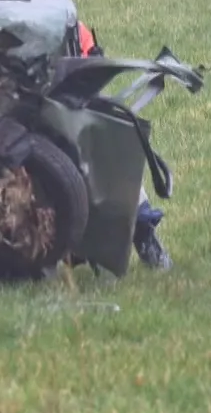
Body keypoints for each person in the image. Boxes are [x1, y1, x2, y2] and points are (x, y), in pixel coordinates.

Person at [73, 21, 173, 271]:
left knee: (110, 153)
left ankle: (143, 234)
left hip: (66, 109)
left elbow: (84, 52)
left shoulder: (60, 20)